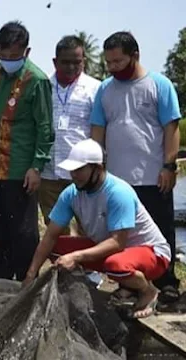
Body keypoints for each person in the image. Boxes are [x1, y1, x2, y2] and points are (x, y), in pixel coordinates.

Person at [23, 139, 170, 319]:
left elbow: (118, 242)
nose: (73, 175)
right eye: (72, 170)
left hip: (152, 254)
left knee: (116, 265)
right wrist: (30, 275)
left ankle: (148, 290)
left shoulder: (118, 192)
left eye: (79, 170)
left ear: (97, 168)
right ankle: (120, 286)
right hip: (113, 251)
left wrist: (76, 256)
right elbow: (50, 237)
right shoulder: (71, 193)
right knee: (55, 248)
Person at [90, 31, 182, 305]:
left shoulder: (159, 85)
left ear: (135, 55)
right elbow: (98, 129)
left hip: (154, 176)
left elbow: (171, 128)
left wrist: (169, 165)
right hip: (119, 181)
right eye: (109, 62)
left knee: (160, 232)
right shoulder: (105, 89)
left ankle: (166, 282)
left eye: (118, 61)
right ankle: (129, 283)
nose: (113, 67)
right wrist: (96, 168)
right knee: (125, 235)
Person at [0, 21, 54, 281]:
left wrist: (36, 167)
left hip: (20, 170)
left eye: (14, 56)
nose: (8, 60)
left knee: (22, 233)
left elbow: (45, 129)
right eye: (4, 55)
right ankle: (0, 281)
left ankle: (26, 282)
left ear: (27, 52)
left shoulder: (37, 80)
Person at [40, 35, 101, 234]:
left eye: (77, 62)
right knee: (55, 230)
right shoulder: (43, 87)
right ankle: (62, 265)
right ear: (55, 62)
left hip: (84, 173)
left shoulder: (95, 89)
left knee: (88, 228)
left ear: (84, 61)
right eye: (66, 62)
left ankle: (88, 265)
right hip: (49, 173)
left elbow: (99, 130)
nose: (72, 67)